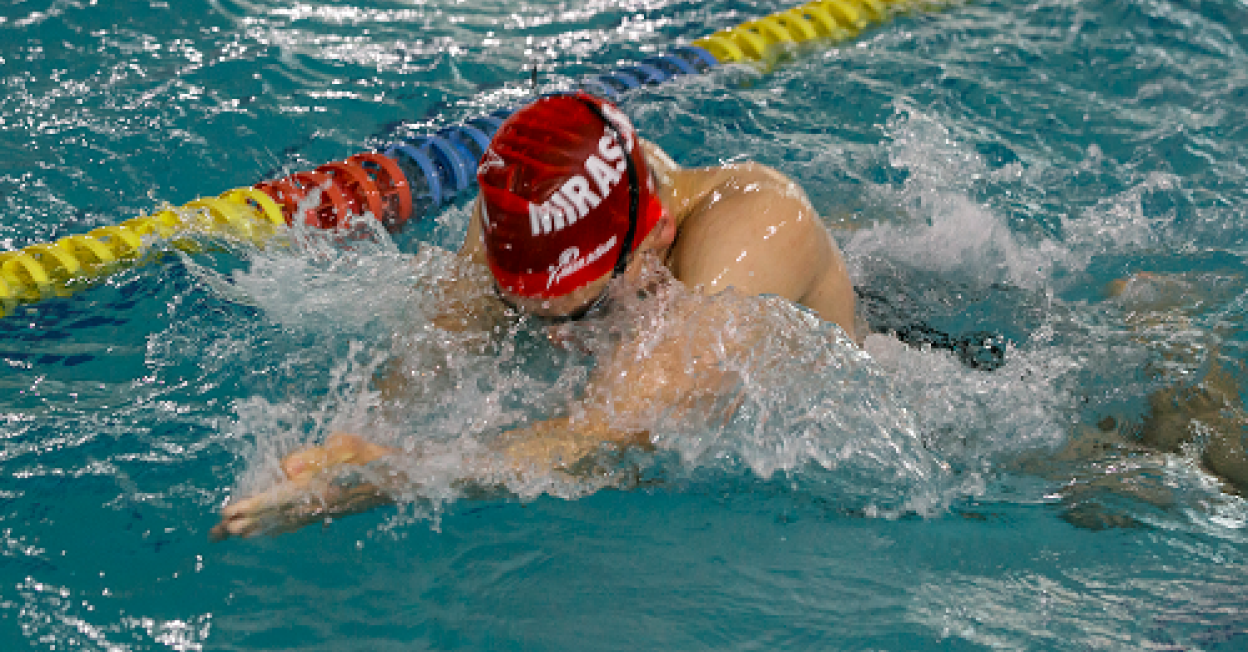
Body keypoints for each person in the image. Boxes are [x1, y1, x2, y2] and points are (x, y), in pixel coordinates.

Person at [211, 92, 861, 539]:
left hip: (873, 406)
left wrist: (392, 475)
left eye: (585, 311)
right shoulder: (522, 208)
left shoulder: (757, 234)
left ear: (654, 235)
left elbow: (611, 437)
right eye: (521, 311)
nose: (551, 336)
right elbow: (436, 351)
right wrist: (342, 450)